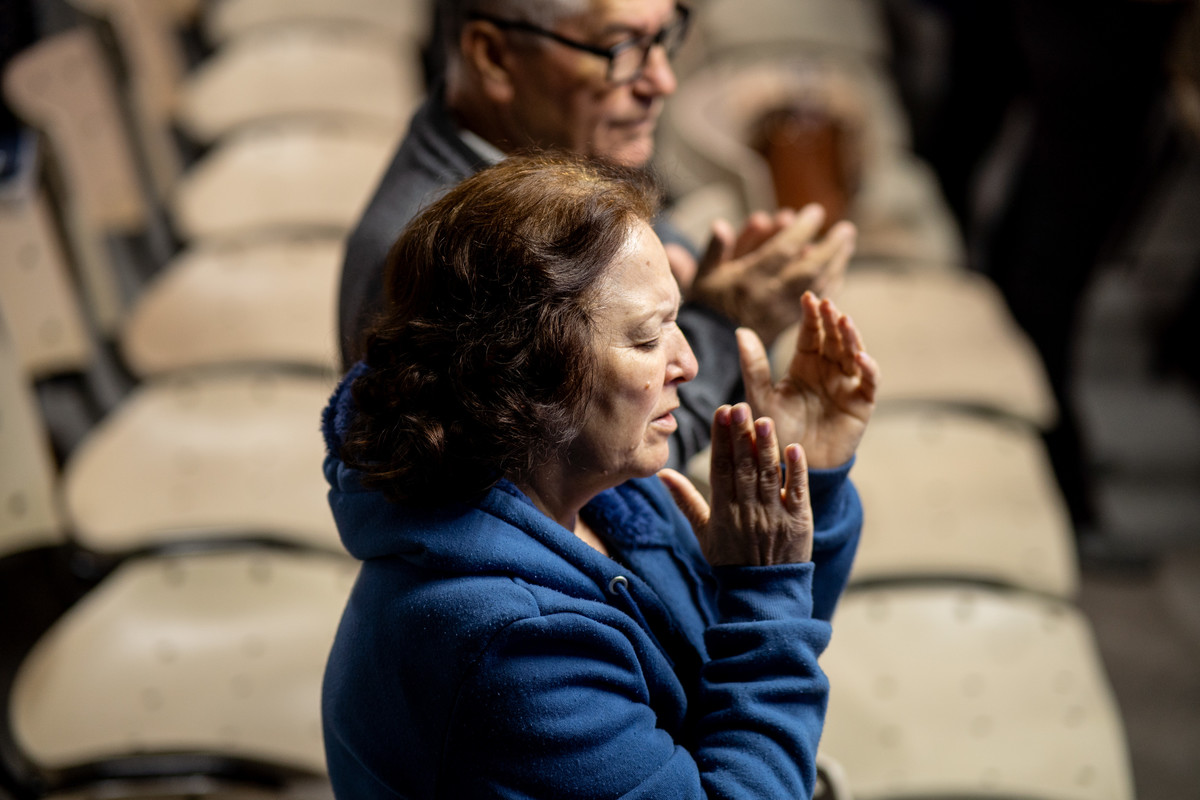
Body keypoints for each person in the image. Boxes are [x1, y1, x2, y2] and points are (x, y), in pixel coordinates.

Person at [321, 154, 878, 798]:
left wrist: (806, 482)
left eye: (677, 321)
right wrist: (766, 581)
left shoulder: (606, 487)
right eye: (646, 340)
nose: (690, 363)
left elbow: (759, 649)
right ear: (528, 373)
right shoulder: (512, 648)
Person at [337, 0, 858, 472]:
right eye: (622, 47)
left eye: (664, 36)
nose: (661, 80)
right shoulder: (423, 261)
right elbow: (586, 499)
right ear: (493, 57)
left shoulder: (567, 147)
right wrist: (726, 325)